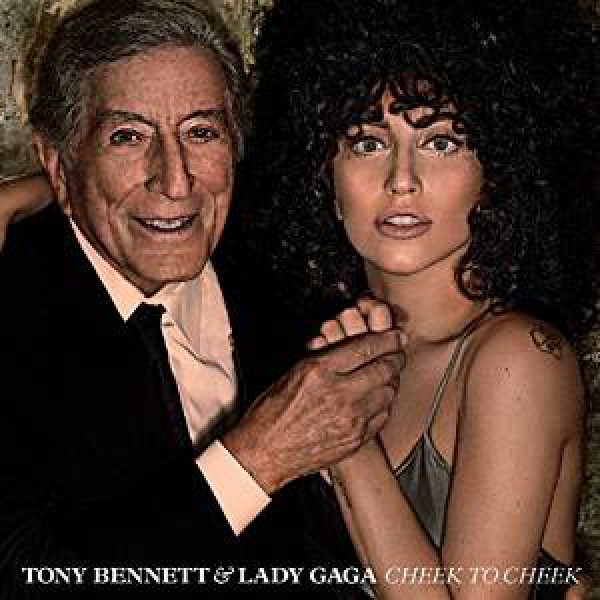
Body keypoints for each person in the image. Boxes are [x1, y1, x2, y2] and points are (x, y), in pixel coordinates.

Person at [0, 1, 407, 598]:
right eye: (128, 137)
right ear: (59, 165)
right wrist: (259, 457)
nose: (175, 180)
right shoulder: (13, 315)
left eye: (201, 132)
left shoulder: (295, 268)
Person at [232, 0, 599, 598]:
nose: (401, 179)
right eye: (367, 143)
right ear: (324, 176)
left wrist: (346, 442)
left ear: (498, 175)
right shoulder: (316, 343)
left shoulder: (517, 360)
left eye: (441, 143)